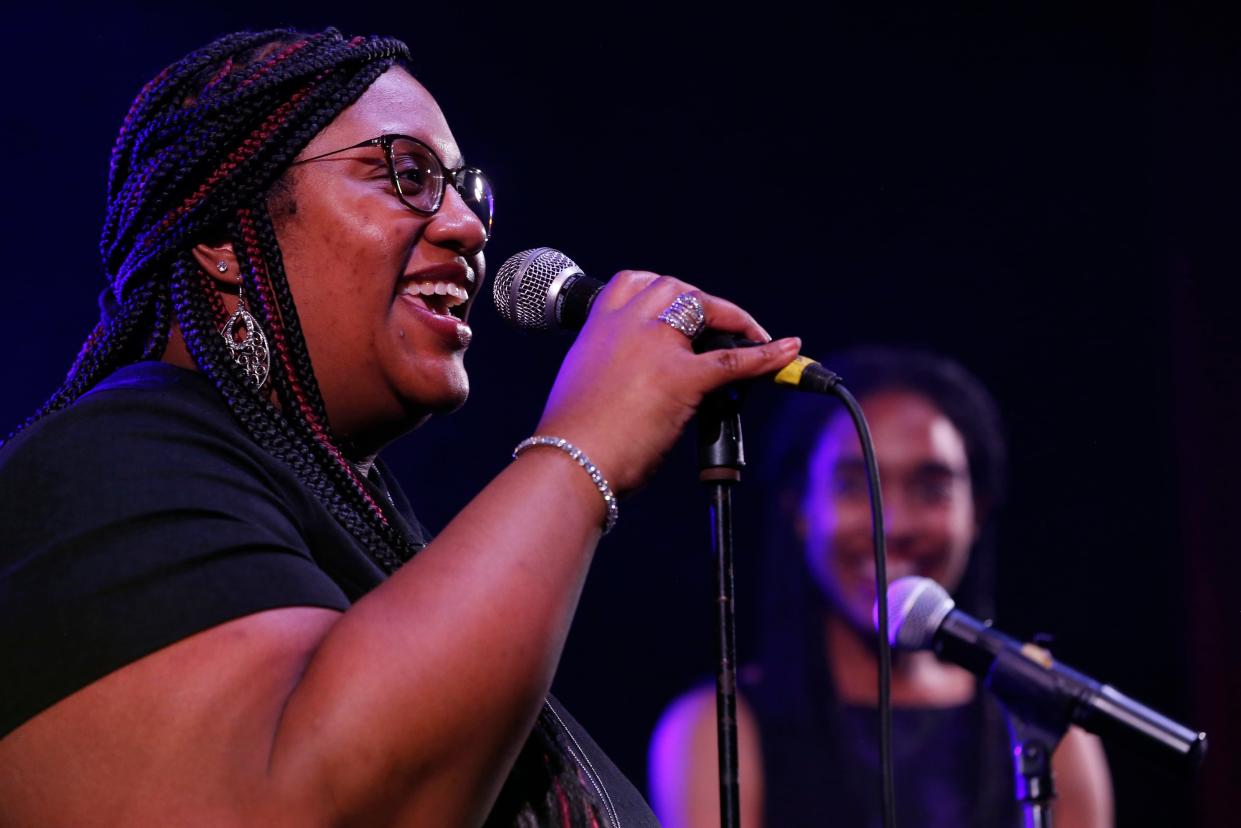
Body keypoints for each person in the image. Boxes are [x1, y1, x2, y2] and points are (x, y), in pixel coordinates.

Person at [0, 28, 802, 826]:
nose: (468, 228)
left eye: (463, 189)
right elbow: (333, 801)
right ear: (220, 236)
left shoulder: (366, 533)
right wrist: (581, 448)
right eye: (405, 174)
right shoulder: (109, 462)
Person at [649, 346, 1115, 828]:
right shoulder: (715, 730)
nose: (892, 524)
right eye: (854, 486)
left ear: (976, 511)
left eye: (931, 488)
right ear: (800, 510)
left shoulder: (1045, 725)